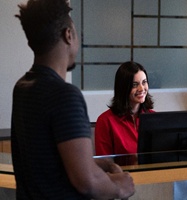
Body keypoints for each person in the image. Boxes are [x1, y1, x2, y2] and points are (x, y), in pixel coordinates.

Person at [11, 0, 135, 199]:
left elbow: (47, 163)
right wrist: (120, 187)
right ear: (68, 35)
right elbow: (87, 182)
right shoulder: (64, 95)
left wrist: (95, 164)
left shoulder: (22, 87)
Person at [95, 61, 154, 156]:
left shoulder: (154, 117)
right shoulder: (105, 121)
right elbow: (105, 164)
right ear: (123, 88)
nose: (141, 89)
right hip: (122, 171)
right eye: (135, 85)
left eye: (144, 82)